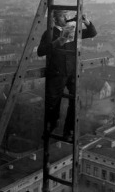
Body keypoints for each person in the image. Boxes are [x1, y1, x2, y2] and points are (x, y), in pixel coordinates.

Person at [37, 10, 97, 141]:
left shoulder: (72, 31)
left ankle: (68, 130)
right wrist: (57, 42)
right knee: (53, 103)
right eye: (61, 16)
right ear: (54, 19)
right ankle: (51, 126)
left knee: (75, 101)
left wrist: (85, 21)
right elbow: (40, 51)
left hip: (71, 71)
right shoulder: (49, 33)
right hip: (57, 73)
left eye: (65, 16)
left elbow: (92, 33)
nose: (65, 18)